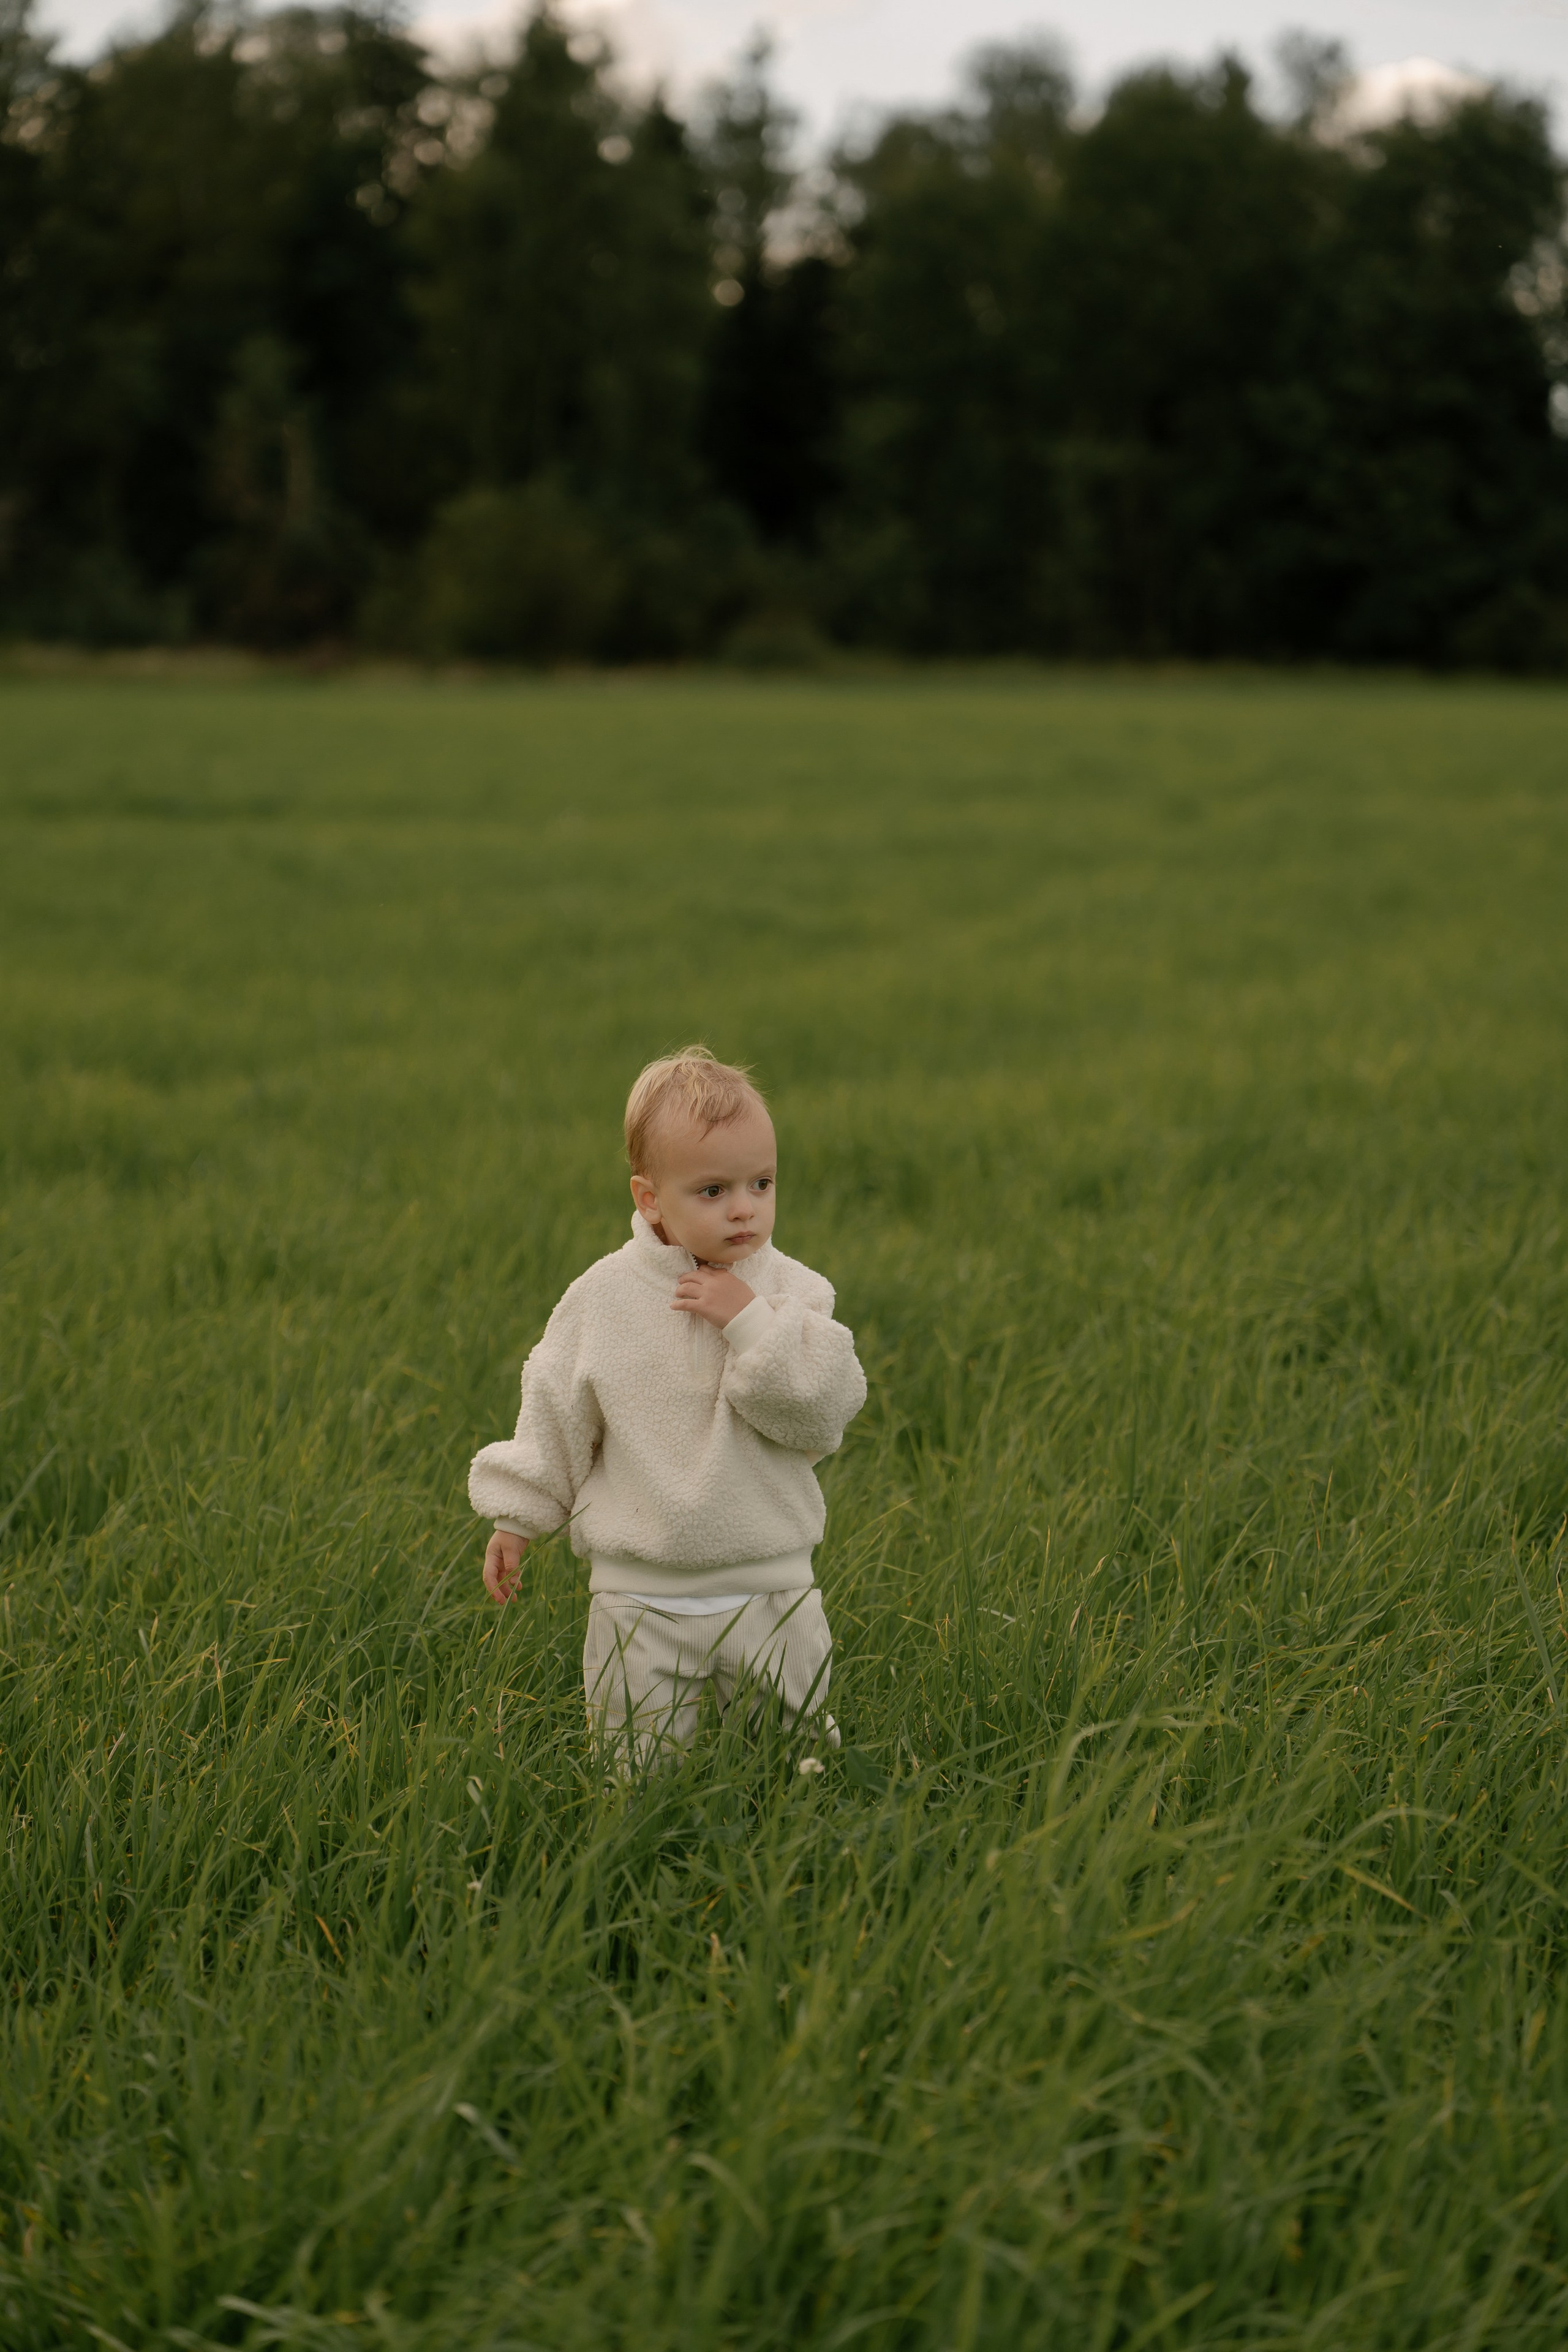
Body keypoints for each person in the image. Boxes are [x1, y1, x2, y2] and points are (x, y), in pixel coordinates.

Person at [470, 1046, 867, 1768]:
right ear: (649, 1198)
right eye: (713, 1190)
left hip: (768, 1581)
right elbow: (556, 1410)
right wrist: (517, 1516)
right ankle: (643, 1828)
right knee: (635, 1762)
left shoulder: (792, 1292)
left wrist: (750, 1322)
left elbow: (825, 1411)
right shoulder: (603, 1298)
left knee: (793, 1757)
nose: (744, 1207)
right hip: (639, 1593)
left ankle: (801, 1823)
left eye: (762, 1183)